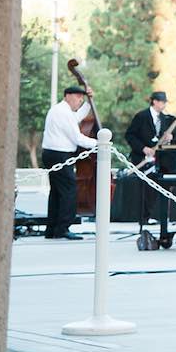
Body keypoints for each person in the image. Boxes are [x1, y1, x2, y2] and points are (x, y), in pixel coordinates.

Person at [40, 85, 97, 240]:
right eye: (78, 97)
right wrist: (100, 143)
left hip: (52, 154)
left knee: (57, 192)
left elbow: (76, 118)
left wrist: (88, 103)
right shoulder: (63, 112)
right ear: (68, 96)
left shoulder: (61, 110)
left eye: (82, 98)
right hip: (59, 155)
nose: (80, 100)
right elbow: (77, 138)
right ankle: (63, 228)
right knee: (69, 191)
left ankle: (52, 229)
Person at [124, 91, 176, 246]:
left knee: (155, 187)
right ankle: (142, 217)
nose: (164, 105)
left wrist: (169, 138)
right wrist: (143, 148)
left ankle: (153, 215)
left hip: (157, 159)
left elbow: (164, 136)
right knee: (143, 188)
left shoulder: (164, 118)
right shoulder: (141, 116)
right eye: (162, 102)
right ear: (154, 101)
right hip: (142, 157)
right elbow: (130, 135)